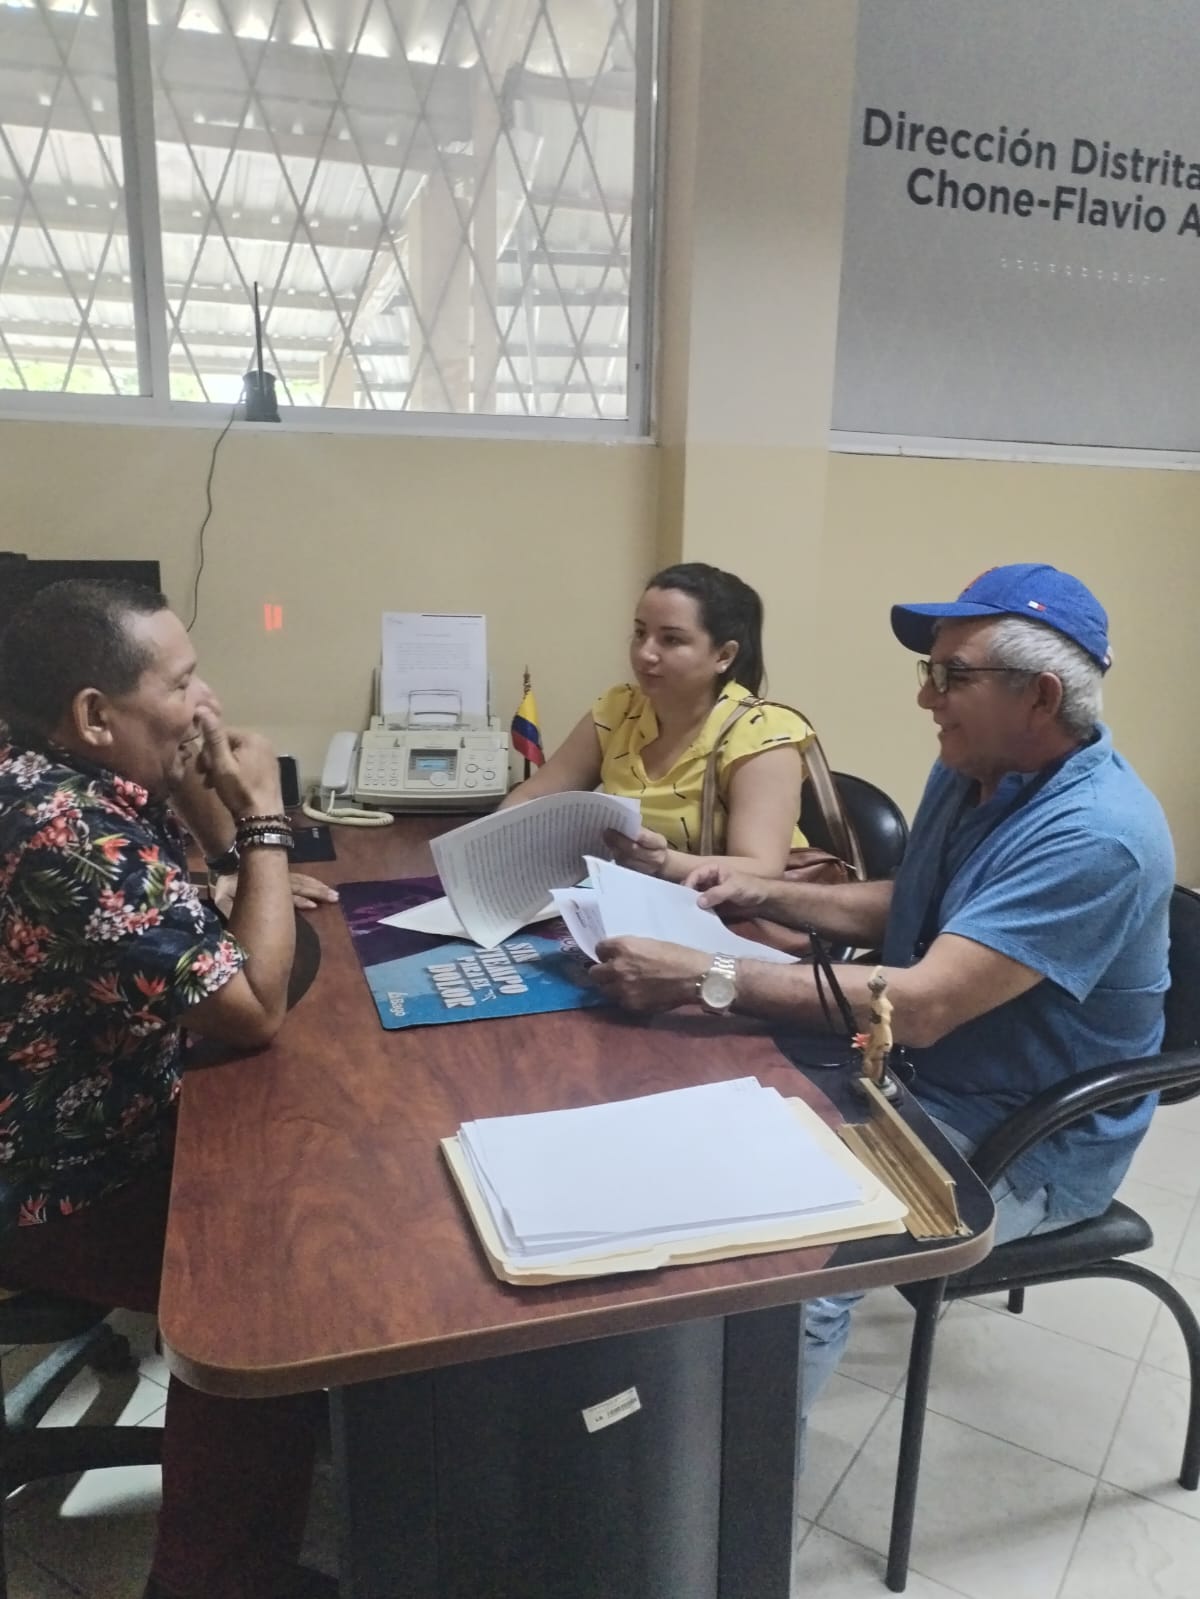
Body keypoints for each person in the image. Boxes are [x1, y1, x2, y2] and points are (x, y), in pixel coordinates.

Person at [590, 563, 1174, 1404]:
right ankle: (672, 1398)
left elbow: (923, 1005)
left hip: (1020, 1137)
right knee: (686, 1115)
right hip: (905, 1072)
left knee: (801, 1266)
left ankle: (740, 1482)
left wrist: (705, 975)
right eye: (928, 670)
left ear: (1040, 698)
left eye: (952, 676)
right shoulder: (973, 767)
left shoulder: (1098, 834)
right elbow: (921, 902)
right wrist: (762, 890)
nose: (926, 697)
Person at [0, 579, 337, 1599]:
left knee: (314, 1166)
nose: (207, 703)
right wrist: (265, 820)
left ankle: (295, 1459)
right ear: (94, 714)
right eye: (182, 683)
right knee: (274, 1288)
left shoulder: (62, 774)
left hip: (100, 1113)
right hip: (52, 1180)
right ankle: (209, 1578)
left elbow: (200, 903)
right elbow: (254, 1006)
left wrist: (223, 834)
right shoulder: (60, 828)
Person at [502, 561, 814, 880]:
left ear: (723, 656)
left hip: (730, 905)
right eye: (640, 633)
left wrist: (664, 862)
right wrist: (493, 846)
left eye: (671, 640)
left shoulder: (761, 731)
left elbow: (761, 868)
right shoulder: (619, 709)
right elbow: (531, 798)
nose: (645, 653)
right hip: (636, 895)